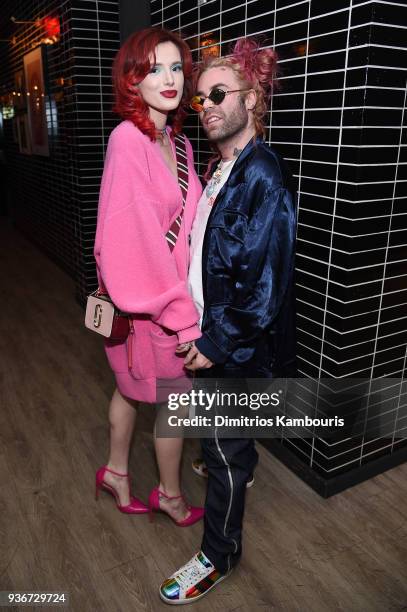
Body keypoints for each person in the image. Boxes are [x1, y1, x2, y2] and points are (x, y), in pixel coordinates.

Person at [159, 38, 297, 603]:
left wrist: (217, 341)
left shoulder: (262, 175)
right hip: (214, 334)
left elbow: (266, 284)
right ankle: (235, 461)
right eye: (199, 99)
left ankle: (219, 555)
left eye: (219, 93)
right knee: (223, 446)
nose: (208, 105)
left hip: (235, 347)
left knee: (222, 451)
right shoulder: (224, 168)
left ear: (253, 97)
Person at [93, 27, 204, 527]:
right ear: (131, 80)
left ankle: (117, 473)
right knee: (172, 402)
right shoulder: (128, 140)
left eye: (177, 67)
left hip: (168, 299)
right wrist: (182, 317)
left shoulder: (176, 142)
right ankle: (171, 496)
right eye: (154, 68)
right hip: (152, 305)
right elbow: (130, 245)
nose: (169, 78)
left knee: (132, 390)